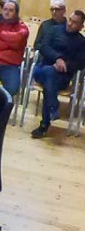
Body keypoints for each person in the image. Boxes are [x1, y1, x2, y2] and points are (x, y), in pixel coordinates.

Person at [30, 10, 85, 139]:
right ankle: (52, 108)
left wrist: (65, 66)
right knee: (47, 72)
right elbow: (43, 47)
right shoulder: (54, 30)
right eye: (70, 20)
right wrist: (58, 58)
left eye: (75, 23)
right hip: (43, 68)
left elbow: (81, 63)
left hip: (62, 75)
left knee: (49, 77)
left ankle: (46, 122)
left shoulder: (81, 42)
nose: (70, 24)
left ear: (81, 27)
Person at [0, 0, 29, 97]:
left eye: (11, 10)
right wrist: (9, 45)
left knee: (12, 88)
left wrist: (0, 35)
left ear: (16, 13)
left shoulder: (22, 27)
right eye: (5, 9)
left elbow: (19, 38)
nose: (7, 12)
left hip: (10, 65)